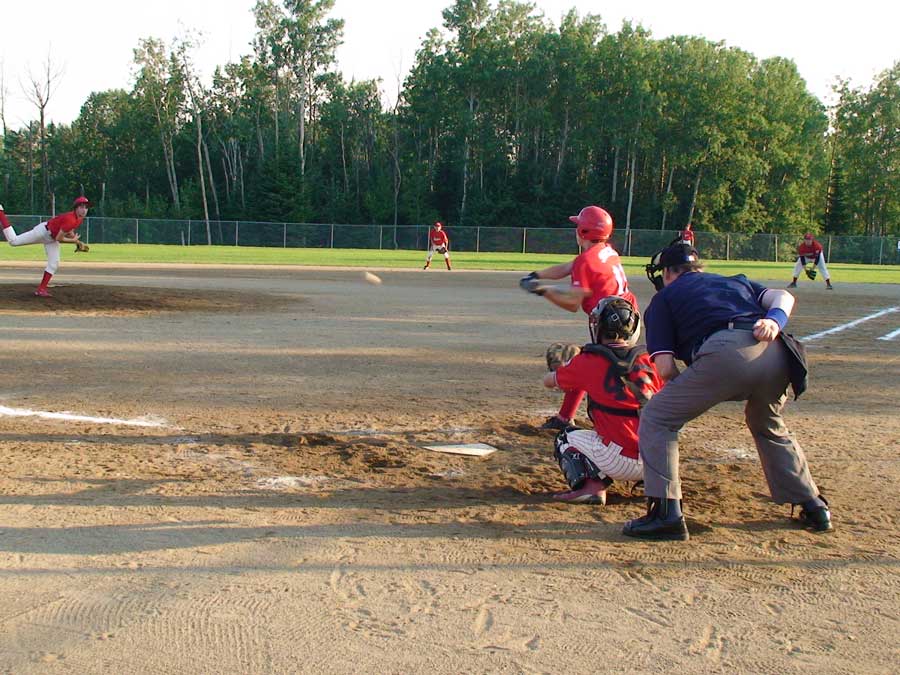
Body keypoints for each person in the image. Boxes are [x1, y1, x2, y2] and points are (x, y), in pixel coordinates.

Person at [623, 243, 832, 541]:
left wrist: (689, 388)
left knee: (657, 416)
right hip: (779, 352)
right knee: (767, 423)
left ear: (667, 273)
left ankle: (665, 514)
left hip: (726, 354)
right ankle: (813, 506)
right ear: (698, 267)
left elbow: (665, 368)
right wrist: (774, 321)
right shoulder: (735, 281)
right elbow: (784, 296)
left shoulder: (663, 299)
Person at [520, 206, 639, 431]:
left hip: (613, 325)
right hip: (626, 317)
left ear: (583, 232)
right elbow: (568, 267)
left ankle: (616, 418)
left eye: (578, 226)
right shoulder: (606, 251)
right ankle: (565, 417)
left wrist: (542, 291)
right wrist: (536, 275)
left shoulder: (587, 261)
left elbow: (573, 304)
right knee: (591, 364)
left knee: (589, 366)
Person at [543, 296, 662, 505]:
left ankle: (591, 488)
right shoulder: (650, 359)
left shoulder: (589, 360)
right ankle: (655, 486)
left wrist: (566, 365)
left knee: (564, 437)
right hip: (661, 461)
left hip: (619, 460)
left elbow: (549, 381)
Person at [1, 197, 92, 297]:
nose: (84, 210)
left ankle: (41, 290)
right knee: (14, 241)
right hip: (43, 232)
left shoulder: (79, 219)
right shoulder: (70, 219)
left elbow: (69, 231)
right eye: (81, 207)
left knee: (54, 263)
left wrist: (78, 242)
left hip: (51, 239)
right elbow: (59, 238)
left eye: (86, 207)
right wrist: (74, 241)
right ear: (76, 208)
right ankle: (1, 212)